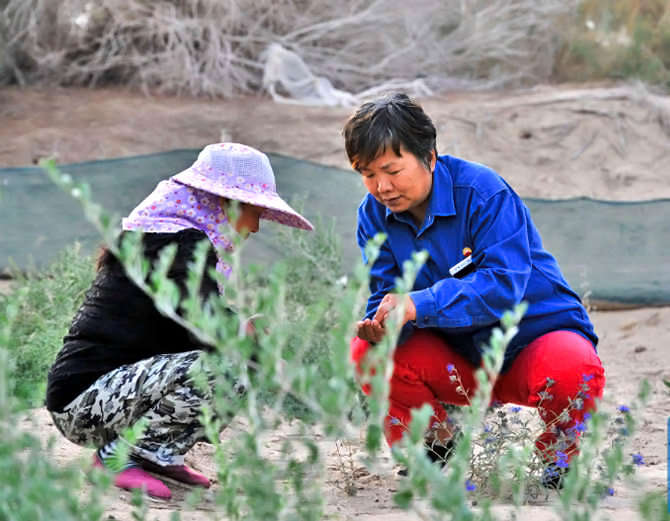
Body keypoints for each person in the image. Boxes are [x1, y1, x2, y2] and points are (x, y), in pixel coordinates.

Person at [343, 94, 605, 487]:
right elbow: (388, 293)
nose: (381, 187)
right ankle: (434, 446)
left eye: (392, 170)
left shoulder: (484, 193)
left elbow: (503, 285)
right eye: (367, 174)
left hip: (531, 343)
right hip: (458, 361)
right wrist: (382, 325)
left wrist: (418, 303)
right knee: (367, 353)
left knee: (574, 368)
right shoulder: (372, 215)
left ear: (430, 157)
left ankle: (558, 459)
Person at [45, 143, 313, 499]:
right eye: (255, 212)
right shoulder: (176, 244)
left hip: (101, 398)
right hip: (82, 402)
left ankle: (156, 453)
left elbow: (188, 322)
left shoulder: (170, 240)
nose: (255, 227)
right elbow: (204, 326)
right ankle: (118, 457)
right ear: (227, 204)